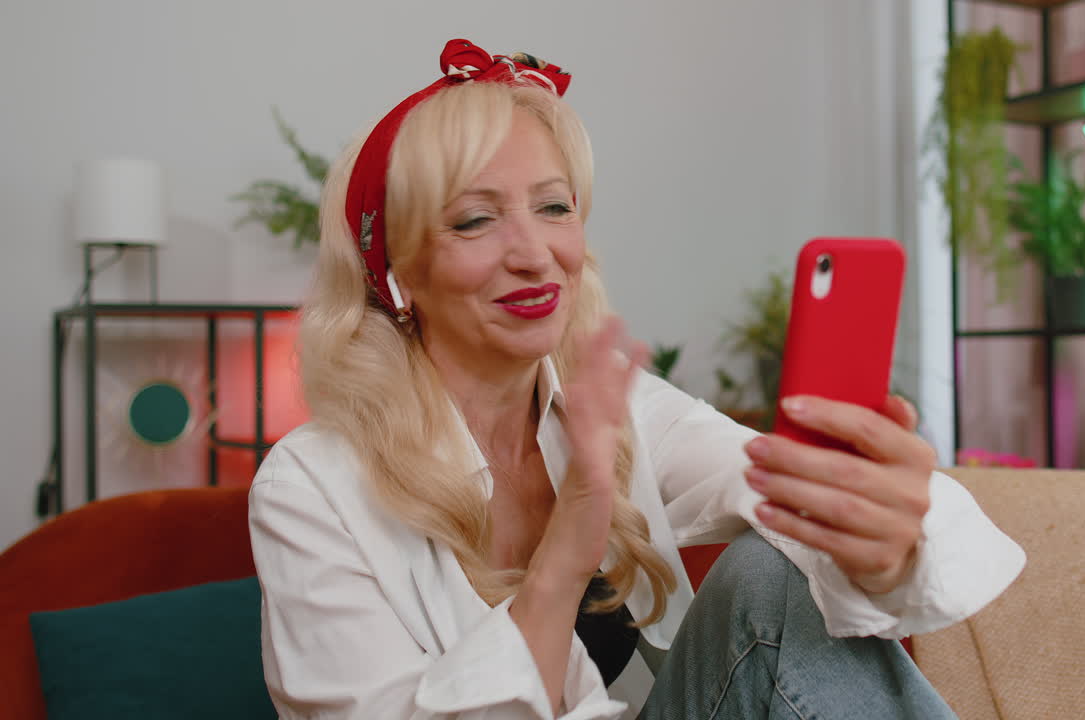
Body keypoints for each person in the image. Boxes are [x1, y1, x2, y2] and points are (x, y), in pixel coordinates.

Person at [248, 38, 1026, 720]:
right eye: (476, 220)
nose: (534, 252)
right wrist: (566, 550)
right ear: (398, 277)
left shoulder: (617, 410)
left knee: (771, 571)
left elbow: (779, 490)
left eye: (555, 207)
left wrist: (882, 538)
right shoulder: (310, 488)